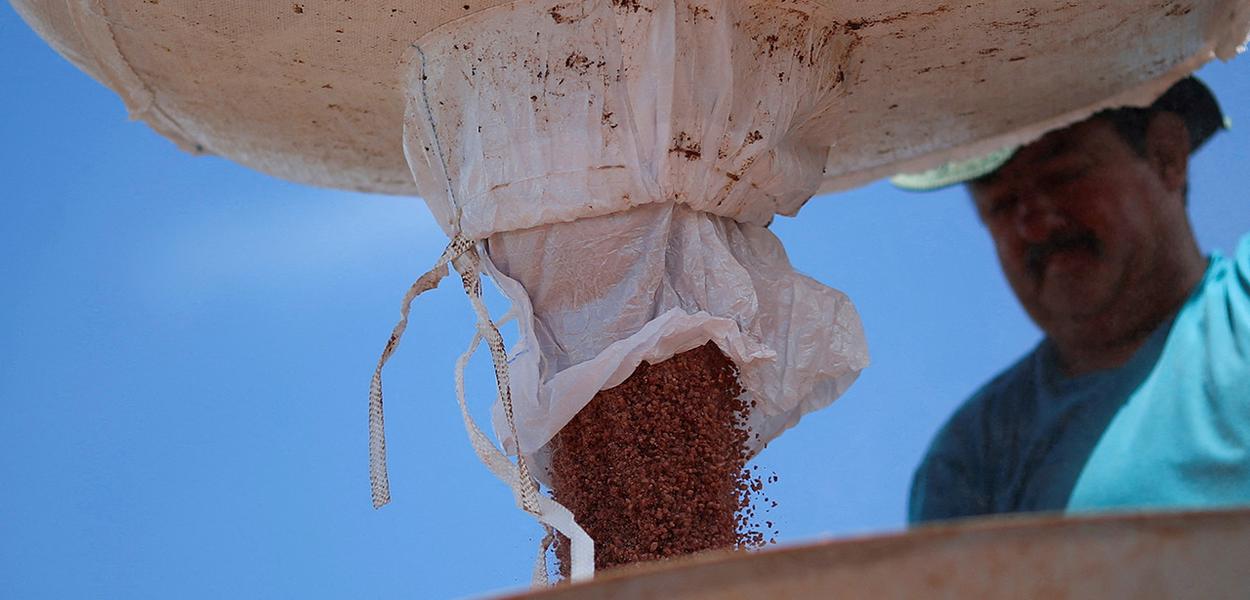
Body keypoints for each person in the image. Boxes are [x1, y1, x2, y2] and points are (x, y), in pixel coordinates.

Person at [897, 77, 1250, 523]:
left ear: (1166, 155)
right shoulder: (974, 456)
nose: (1036, 226)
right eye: (1003, 205)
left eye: (1063, 175)